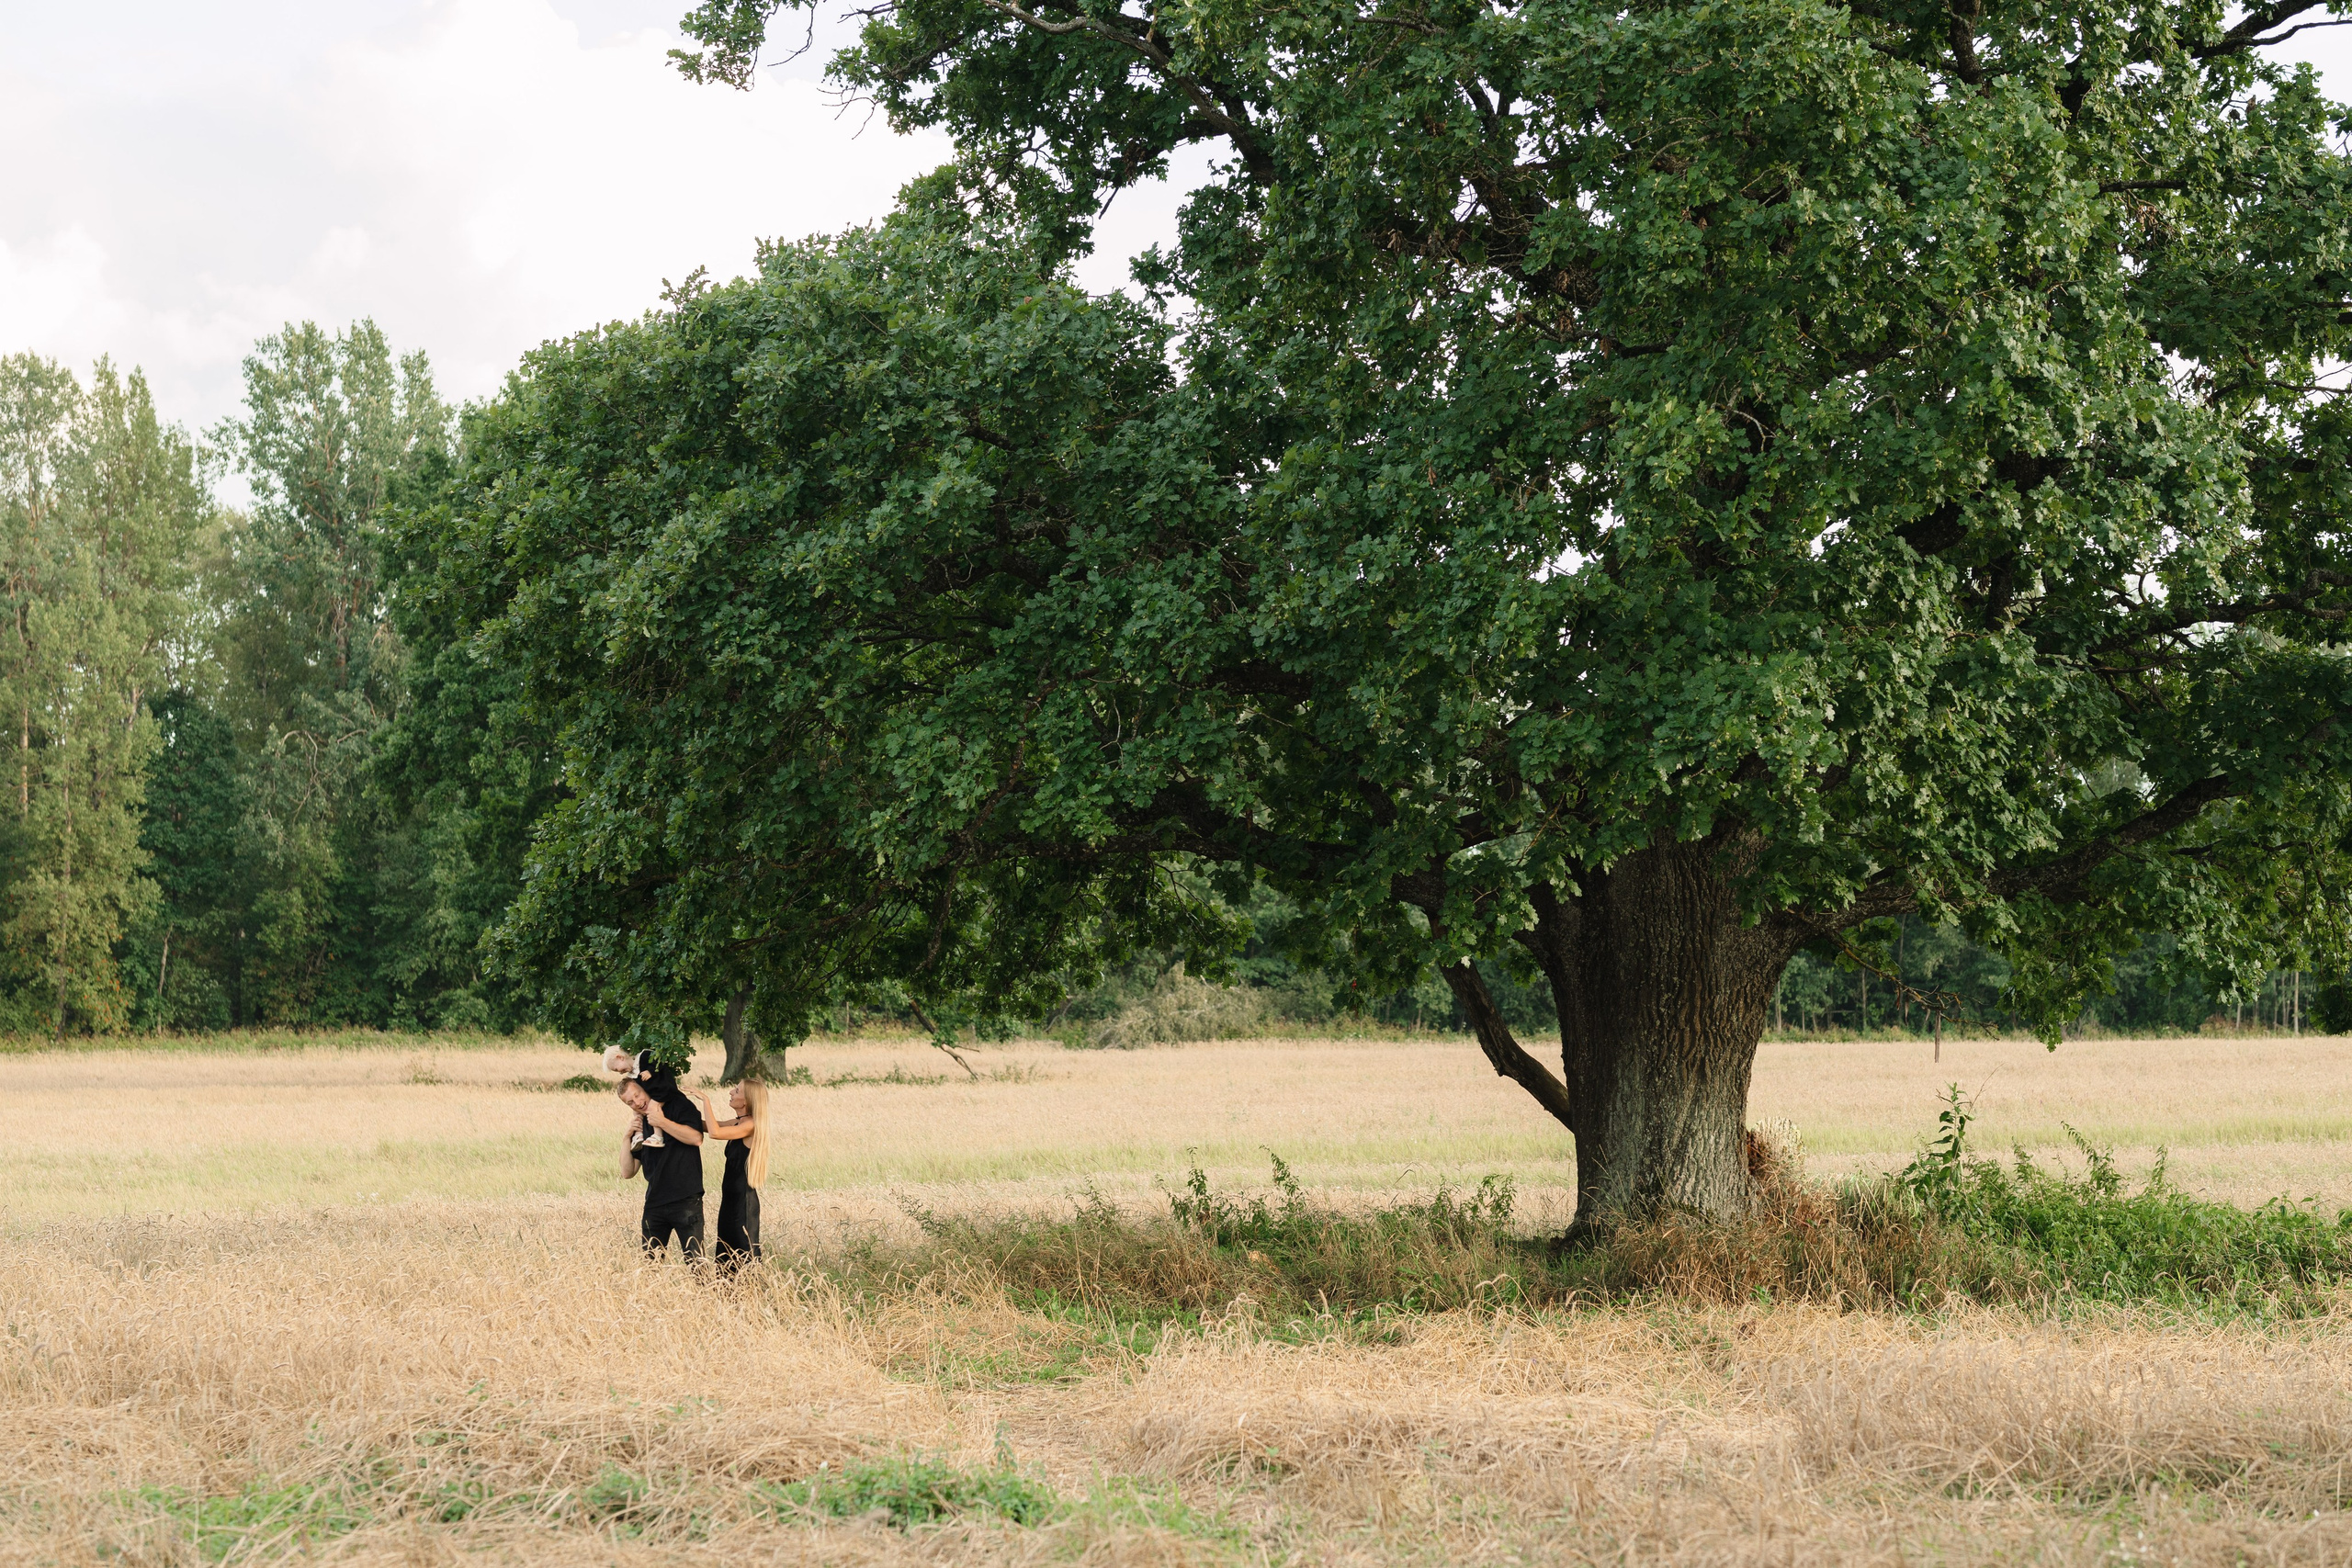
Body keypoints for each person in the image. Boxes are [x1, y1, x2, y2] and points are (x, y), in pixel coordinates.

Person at [616, 1077, 706, 1259]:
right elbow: (627, 1172)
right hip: (654, 1202)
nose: (637, 1103)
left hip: (686, 1199)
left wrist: (662, 1121)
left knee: (696, 1262)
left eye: (637, 1095)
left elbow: (696, 1138)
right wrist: (626, 1138)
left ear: (646, 1088)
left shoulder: (679, 1104)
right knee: (651, 1264)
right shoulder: (640, 1124)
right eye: (630, 1102)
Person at [696, 1079, 768, 1271]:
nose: (731, 1092)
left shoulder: (751, 1125)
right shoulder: (740, 1122)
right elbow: (706, 1125)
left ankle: (749, 1296)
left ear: (746, 1100)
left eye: (736, 1091)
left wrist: (705, 1100)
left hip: (742, 1204)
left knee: (743, 1255)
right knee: (726, 1255)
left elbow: (715, 1132)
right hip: (730, 1202)